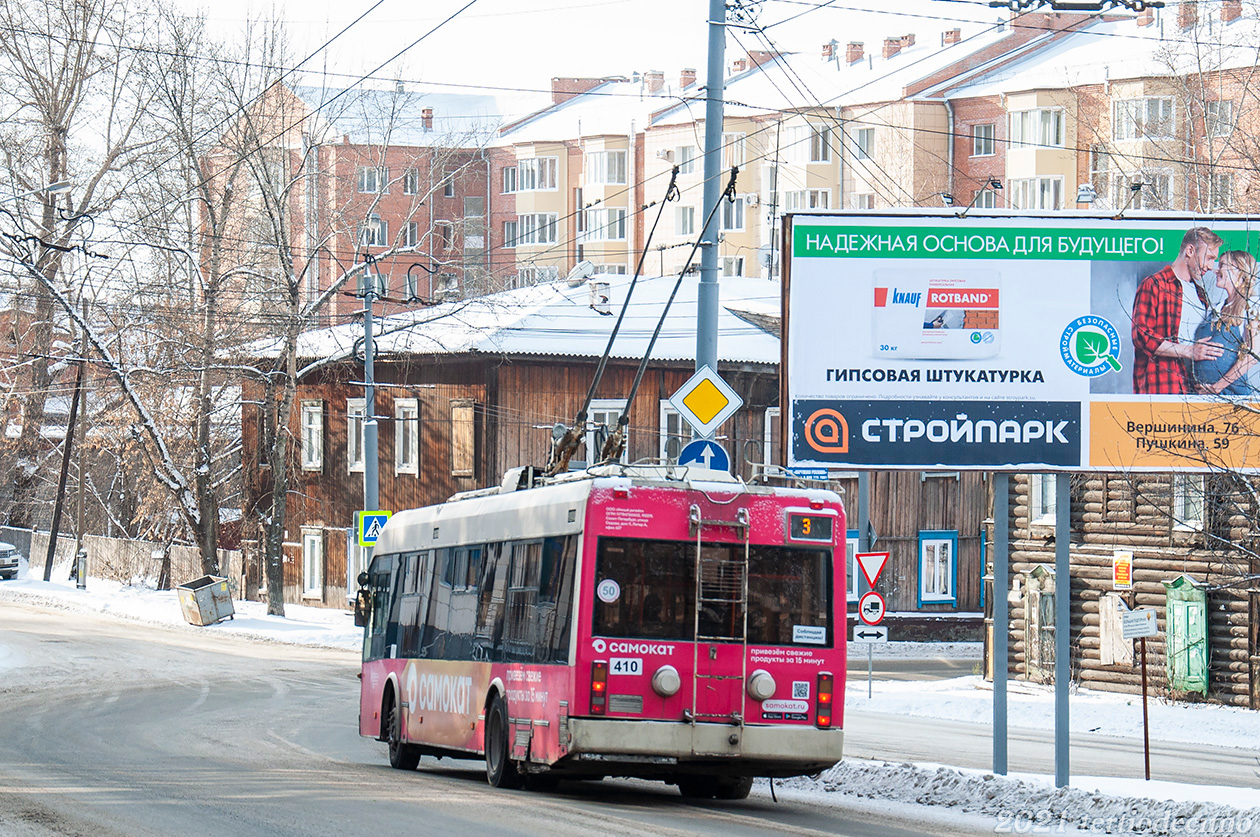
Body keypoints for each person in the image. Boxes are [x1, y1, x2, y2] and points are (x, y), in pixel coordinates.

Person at [1131, 227, 1224, 394]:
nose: (1211, 266)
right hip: (1163, 388)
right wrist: (1190, 351)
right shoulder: (1155, 284)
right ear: (1190, 251)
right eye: (1209, 258)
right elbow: (1141, 336)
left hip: (1195, 390)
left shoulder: (1200, 294)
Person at [1192, 250, 1260, 395]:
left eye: (1222, 265)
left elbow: (1254, 354)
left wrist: (1216, 387)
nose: (1216, 270)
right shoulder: (1214, 308)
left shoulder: (1252, 306)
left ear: (1240, 270)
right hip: (1202, 395)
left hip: (1230, 396)